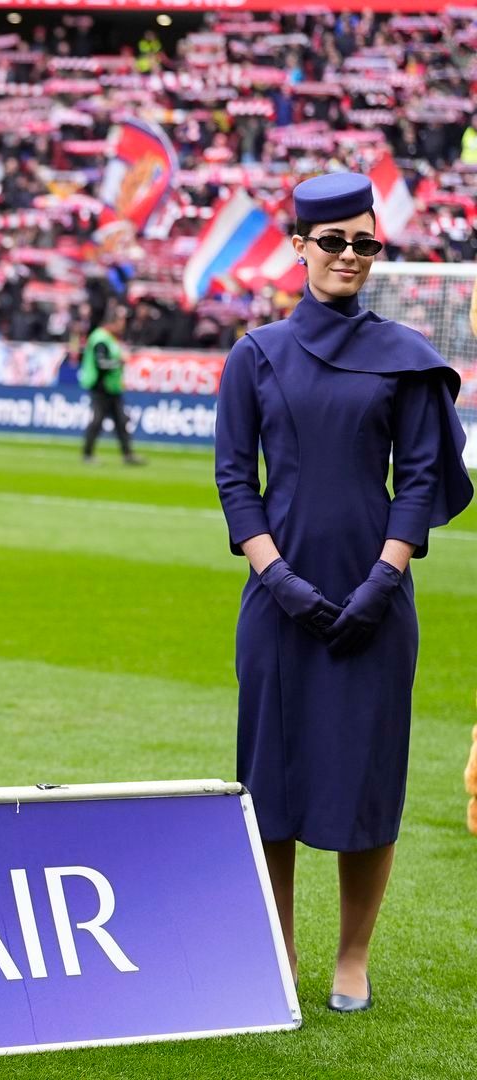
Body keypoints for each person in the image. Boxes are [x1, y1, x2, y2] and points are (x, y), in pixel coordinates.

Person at [215, 171, 470, 1014]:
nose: (350, 256)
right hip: (276, 605)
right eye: (334, 241)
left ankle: (351, 957)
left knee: (367, 781)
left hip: (378, 604)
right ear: (300, 248)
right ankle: (278, 951)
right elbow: (233, 480)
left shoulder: (406, 358)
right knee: (272, 782)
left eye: (365, 242)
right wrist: (276, 576)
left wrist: (385, 577)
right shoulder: (254, 355)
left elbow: (423, 479)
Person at [79, 302, 145, 465]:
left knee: (121, 421)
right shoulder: (100, 339)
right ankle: (88, 454)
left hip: (112, 387)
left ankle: (127, 455)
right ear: (112, 322)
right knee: (98, 420)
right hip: (101, 386)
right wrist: (119, 362)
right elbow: (101, 364)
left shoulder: (108, 338)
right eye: (121, 322)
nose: (123, 326)